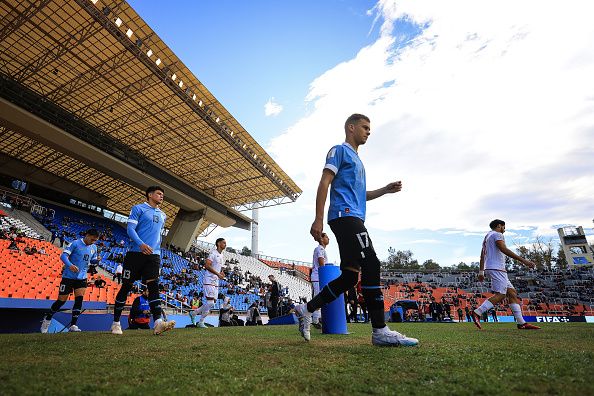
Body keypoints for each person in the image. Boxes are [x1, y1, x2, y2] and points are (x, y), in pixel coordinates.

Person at [293, 114, 418, 347]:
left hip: (354, 216)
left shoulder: (359, 162)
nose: (368, 132)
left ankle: (306, 309)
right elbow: (324, 183)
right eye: (365, 127)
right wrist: (318, 219)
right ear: (351, 128)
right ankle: (380, 330)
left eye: (369, 128)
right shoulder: (338, 151)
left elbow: (362, 195)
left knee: (350, 277)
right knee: (372, 263)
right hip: (344, 215)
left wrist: (385, 190)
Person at [111, 186, 175, 336]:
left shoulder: (163, 215)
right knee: (126, 287)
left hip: (154, 255)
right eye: (159, 194)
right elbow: (130, 229)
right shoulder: (138, 209)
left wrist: (157, 249)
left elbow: (158, 235)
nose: (161, 196)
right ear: (150, 195)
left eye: (162, 195)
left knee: (153, 286)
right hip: (135, 253)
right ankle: (115, 323)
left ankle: (158, 323)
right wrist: (140, 243)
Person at [471, 219, 540, 330]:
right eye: (504, 226)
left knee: (512, 293)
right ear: (499, 226)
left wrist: (481, 271)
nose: (504, 229)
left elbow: (482, 255)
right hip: (497, 268)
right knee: (501, 295)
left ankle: (521, 323)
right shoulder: (497, 234)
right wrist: (524, 261)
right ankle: (477, 312)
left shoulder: (487, 236)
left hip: (494, 268)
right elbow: (503, 249)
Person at [41, 229, 100, 333]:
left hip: (82, 277)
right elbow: (63, 256)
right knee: (61, 301)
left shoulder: (94, 247)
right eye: (92, 239)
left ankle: (73, 325)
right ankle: (48, 318)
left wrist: (97, 260)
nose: (93, 242)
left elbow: (92, 261)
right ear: (87, 235)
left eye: (95, 240)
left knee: (79, 300)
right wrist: (70, 265)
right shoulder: (75, 243)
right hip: (68, 277)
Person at [193, 238, 226, 328]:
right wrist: (218, 274)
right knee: (210, 302)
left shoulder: (221, 255)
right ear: (218, 244)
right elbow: (207, 265)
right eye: (223, 243)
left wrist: (222, 273)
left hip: (216, 280)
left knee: (212, 302)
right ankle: (201, 322)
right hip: (209, 279)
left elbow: (219, 268)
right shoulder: (213, 253)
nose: (225, 244)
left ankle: (194, 313)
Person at [311, 233, 330, 329]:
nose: (328, 238)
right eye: (326, 237)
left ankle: (318, 318)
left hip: (319, 277)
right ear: (322, 239)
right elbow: (321, 263)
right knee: (319, 298)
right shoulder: (320, 249)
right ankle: (315, 319)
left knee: (321, 298)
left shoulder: (321, 249)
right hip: (318, 277)